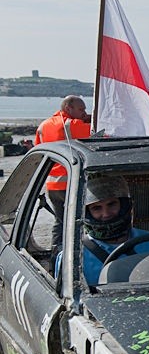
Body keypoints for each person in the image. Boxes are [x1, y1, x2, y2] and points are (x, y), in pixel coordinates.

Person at [57, 175, 149, 286]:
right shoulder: (72, 258)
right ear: (87, 213)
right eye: (96, 208)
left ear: (123, 206)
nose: (106, 214)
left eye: (112, 204)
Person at [35, 96, 93, 253]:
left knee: (60, 222)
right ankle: (79, 255)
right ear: (68, 108)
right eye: (81, 109)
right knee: (83, 223)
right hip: (71, 184)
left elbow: (38, 151)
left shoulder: (43, 126)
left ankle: (56, 254)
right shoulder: (70, 125)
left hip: (52, 185)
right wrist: (91, 118)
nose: (84, 113)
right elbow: (100, 132)